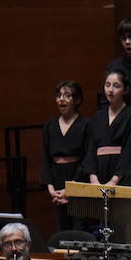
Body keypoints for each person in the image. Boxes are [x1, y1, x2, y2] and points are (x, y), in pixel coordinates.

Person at [41, 80, 89, 229]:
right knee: (62, 228)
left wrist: (71, 188)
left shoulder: (86, 124)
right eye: (59, 95)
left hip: (77, 178)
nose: (61, 99)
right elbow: (45, 158)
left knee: (79, 226)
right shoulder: (50, 125)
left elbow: (87, 158)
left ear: (77, 100)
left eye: (67, 95)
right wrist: (51, 188)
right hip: (57, 179)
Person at [81, 69, 131, 186]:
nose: (110, 90)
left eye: (116, 86)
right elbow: (91, 149)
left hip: (120, 176)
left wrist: (115, 180)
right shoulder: (98, 116)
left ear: (125, 90)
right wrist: (93, 179)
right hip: (98, 174)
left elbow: (129, 149)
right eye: (107, 85)